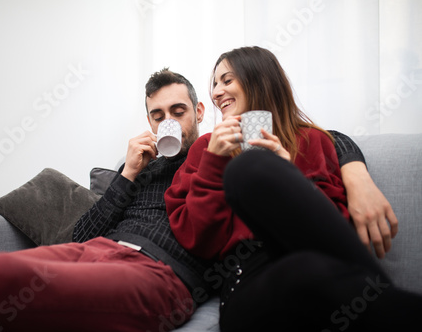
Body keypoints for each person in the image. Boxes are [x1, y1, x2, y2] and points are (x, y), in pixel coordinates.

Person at [0, 68, 396, 332]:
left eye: (178, 110)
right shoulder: (142, 165)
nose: (167, 120)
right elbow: (84, 236)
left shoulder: (222, 148)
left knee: (4, 274)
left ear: (200, 112)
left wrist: (354, 171)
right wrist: (128, 174)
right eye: (157, 114)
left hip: (163, 274)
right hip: (98, 252)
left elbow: (311, 137)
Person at [164, 46, 422, 332]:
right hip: (249, 277)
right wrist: (213, 162)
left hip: (315, 257)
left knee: (309, 267)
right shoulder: (206, 147)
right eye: (214, 84)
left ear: (258, 79)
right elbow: (198, 239)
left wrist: (288, 176)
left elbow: (337, 225)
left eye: (227, 80)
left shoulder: (314, 140)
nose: (216, 92)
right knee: (248, 173)